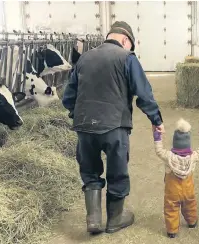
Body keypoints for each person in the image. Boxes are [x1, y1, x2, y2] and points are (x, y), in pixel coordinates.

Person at [62, 21, 165, 234]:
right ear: (125, 40)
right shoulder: (127, 58)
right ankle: (115, 220)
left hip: (84, 127)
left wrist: (77, 114)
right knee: (117, 172)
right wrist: (156, 120)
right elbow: (143, 94)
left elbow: (68, 97)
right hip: (114, 126)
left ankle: (93, 219)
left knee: (90, 171)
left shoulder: (84, 58)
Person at [153, 118, 199, 238]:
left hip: (172, 191)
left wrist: (157, 137)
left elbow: (159, 151)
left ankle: (172, 231)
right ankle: (192, 222)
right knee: (190, 205)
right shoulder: (193, 157)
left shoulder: (168, 157)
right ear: (188, 144)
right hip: (188, 190)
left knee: (171, 208)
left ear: (175, 143)